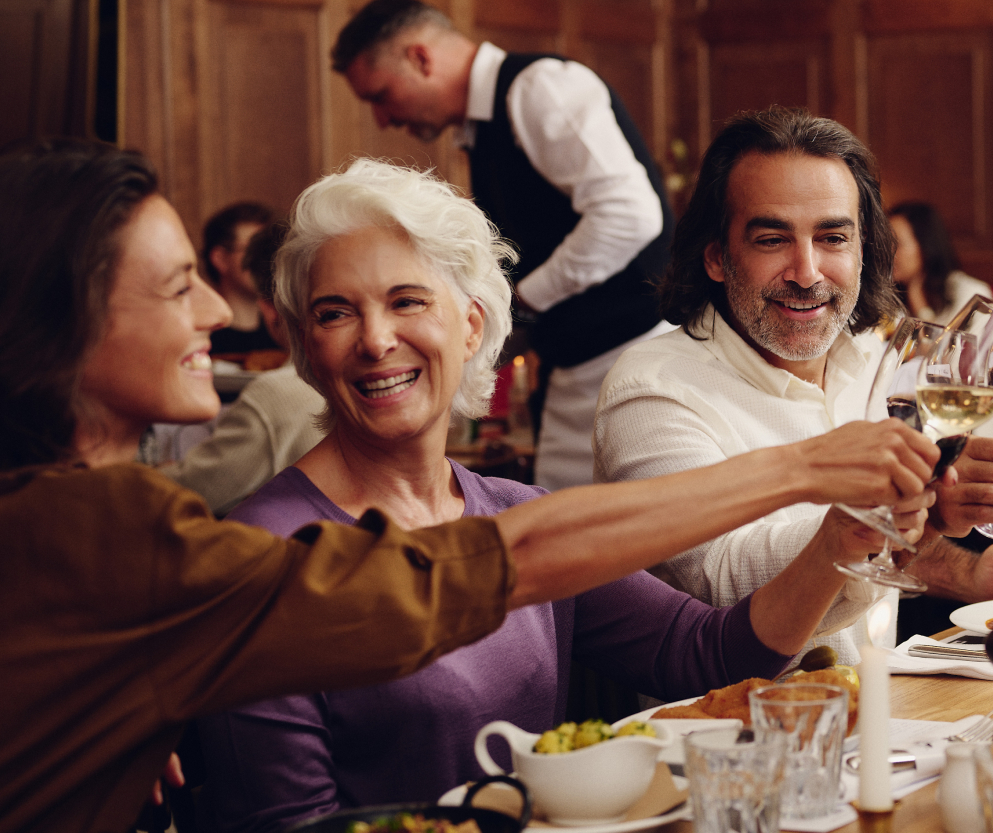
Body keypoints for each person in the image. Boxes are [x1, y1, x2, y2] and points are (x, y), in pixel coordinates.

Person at [0, 141, 939, 833]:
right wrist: (801, 470)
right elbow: (492, 571)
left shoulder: (105, 540)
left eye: (408, 301)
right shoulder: (153, 534)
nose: (214, 304)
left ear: (473, 322)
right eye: (176, 288)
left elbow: (709, 655)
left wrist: (837, 534)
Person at [594, 109, 993, 663]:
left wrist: (971, 572)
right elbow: (718, 584)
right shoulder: (651, 389)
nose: (807, 272)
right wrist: (886, 519)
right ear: (716, 256)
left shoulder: (877, 360)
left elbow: (883, 554)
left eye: (832, 237)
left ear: (863, 251)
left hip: (885, 721)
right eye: (771, 239)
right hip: (731, 734)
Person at [332, 0, 672, 490]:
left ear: (420, 58)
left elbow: (629, 215)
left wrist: (522, 299)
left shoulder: (540, 88)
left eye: (381, 95)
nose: (382, 119)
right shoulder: (484, 125)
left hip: (635, 352)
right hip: (575, 361)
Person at [160, 222, 326, 515]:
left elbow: (193, 491)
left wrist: (146, 476)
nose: (220, 314)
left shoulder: (276, 395)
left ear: (268, 308)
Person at [887, 201, 992, 325]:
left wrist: (918, 300)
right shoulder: (888, 295)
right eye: (886, 243)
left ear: (925, 245)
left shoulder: (971, 293)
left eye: (897, 244)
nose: (888, 253)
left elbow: (956, 343)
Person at [203, 201, 278, 356]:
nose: (268, 260)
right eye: (255, 249)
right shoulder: (201, 337)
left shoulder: (283, 334)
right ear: (221, 259)